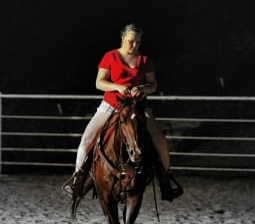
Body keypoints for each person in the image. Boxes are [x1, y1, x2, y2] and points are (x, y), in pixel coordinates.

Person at [63, 23, 183, 202]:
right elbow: (99, 83)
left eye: (138, 42)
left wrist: (142, 88)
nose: (134, 45)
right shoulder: (110, 56)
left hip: (138, 107)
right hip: (111, 105)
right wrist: (118, 87)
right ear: (123, 39)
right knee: (86, 140)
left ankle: (166, 181)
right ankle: (78, 181)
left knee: (160, 139)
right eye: (131, 41)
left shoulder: (144, 60)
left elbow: (153, 84)